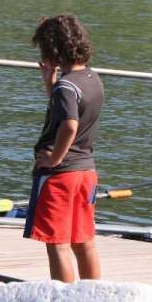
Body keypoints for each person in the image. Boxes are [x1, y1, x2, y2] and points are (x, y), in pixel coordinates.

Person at [22, 15, 104, 283]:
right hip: (86, 172)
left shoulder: (66, 88)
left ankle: (65, 301)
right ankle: (94, 294)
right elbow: (69, 111)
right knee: (84, 240)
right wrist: (50, 84)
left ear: (53, 51)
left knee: (57, 243)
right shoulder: (91, 78)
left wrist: (54, 159)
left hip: (61, 176)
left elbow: (69, 124)